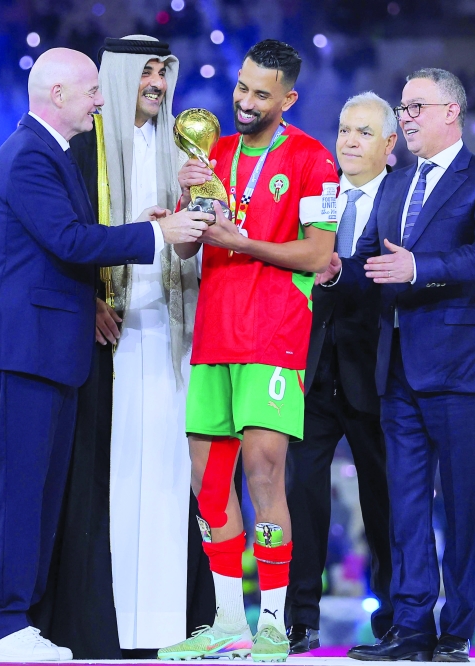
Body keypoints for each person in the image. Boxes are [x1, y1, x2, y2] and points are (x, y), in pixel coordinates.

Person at [0, 47, 212, 662]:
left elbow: (76, 239)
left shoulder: (46, 154)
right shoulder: (29, 157)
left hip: (47, 349)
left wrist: (151, 223)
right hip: (24, 348)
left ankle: (17, 622)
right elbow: (70, 241)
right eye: (91, 91)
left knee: (42, 490)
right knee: (22, 490)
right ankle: (0, 624)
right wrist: (160, 233)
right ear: (57, 95)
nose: (101, 100)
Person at [321, 68, 475, 662]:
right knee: (404, 505)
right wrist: (337, 272)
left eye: (416, 107)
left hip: (464, 368)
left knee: (464, 508)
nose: (405, 117)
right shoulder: (393, 184)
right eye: (403, 109)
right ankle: (411, 631)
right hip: (397, 369)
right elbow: (368, 263)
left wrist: (420, 267)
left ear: (452, 111)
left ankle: (456, 633)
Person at [158, 39, 338, 663]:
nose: (245, 101)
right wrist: (185, 215)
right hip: (213, 337)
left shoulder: (315, 163)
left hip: (273, 337)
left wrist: (243, 239)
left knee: (264, 474)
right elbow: (187, 251)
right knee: (209, 482)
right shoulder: (213, 154)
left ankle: (273, 622)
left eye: (262, 93)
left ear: (287, 98)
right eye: (241, 87)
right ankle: (227, 620)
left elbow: (317, 255)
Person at [284, 91, 396, 654]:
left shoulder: (403, 200)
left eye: (363, 132)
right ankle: (298, 619)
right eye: (344, 130)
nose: (349, 141)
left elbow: (389, 276)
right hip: (310, 365)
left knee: (383, 500)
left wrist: (335, 272)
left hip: (375, 373)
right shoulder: (313, 196)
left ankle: (394, 621)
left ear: (389, 145)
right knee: (301, 493)